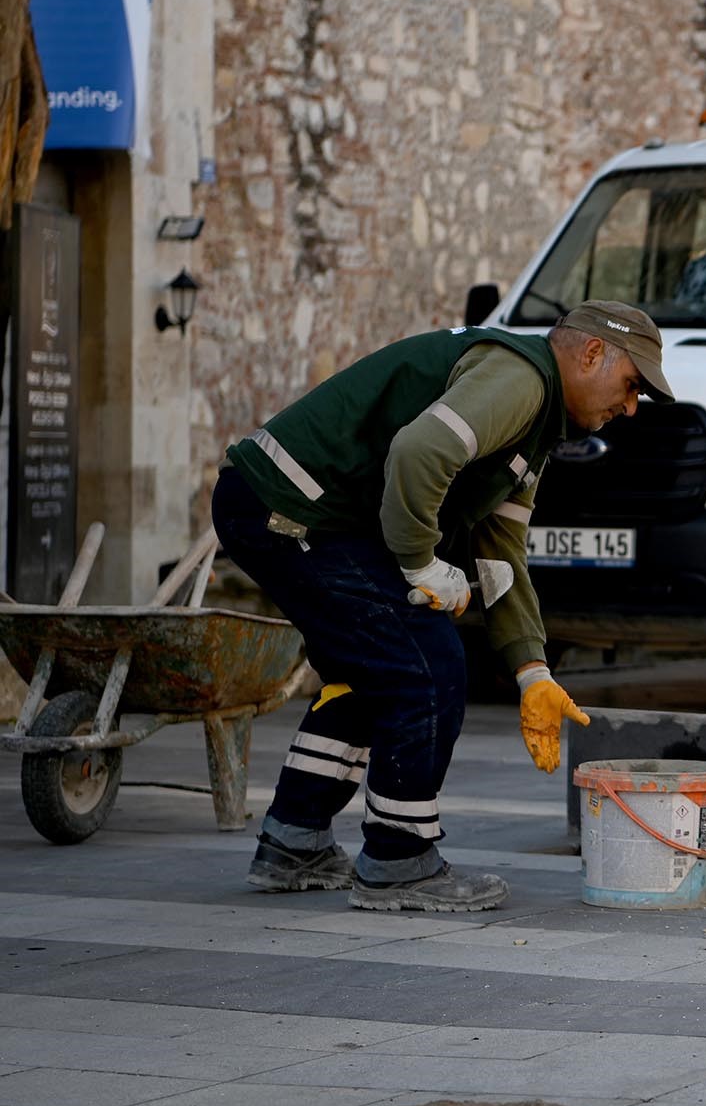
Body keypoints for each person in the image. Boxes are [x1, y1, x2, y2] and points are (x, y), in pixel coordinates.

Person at [212, 301, 673, 912]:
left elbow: (502, 558)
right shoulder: (522, 379)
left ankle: (293, 843)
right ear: (592, 353)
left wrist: (532, 671)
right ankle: (399, 862)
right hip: (293, 507)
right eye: (632, 385)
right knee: (427, 668)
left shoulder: (533, 433)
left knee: (371, 671)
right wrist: (421, 563)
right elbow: (420, 452)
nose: (631, 406)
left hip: (295, 510)